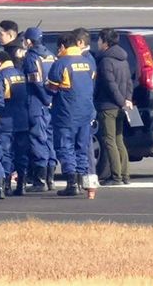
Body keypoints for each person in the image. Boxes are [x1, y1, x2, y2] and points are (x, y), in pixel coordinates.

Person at [48, 29, 98, 198]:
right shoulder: (88, 62)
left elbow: (52, 89)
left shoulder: (61, 64)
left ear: (62, 46)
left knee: (65, 147)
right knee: (81, 148)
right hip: (86, 113)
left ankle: (71, 183)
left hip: (66, 113)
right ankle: (83, 180)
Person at [94, 28, 133, 188]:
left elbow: (110, 85)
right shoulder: (123, 59)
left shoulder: (105, 61)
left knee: (109, 140)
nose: (97, 43)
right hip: (122, 105)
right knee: (119, 139)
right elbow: (129, 82)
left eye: (99, 40)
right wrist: (127, 100)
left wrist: (120, 101)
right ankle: (125, 175)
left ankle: (116, 176)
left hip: (108, 106)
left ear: (105, 42)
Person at [14, 36, 53, 192]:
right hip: (49, 105)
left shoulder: (31, 57)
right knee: (48, 139)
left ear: (29, 41)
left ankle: (39, 181)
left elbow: (35, 81)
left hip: (36, 104)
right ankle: (49, 178)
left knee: (37, 140)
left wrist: (44, 99)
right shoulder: (50, 54)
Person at [0, 46, 24, 195]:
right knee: (21, 153)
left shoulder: (1, 76)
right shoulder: (20, 73)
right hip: (22, 120)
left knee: (5, 153)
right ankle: (21, 185)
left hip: (6, 119)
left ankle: (5, 186)